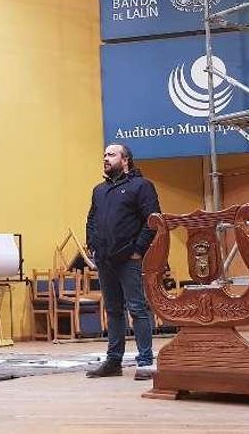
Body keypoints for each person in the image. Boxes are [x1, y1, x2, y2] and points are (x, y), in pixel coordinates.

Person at [85, 143, 161, 380]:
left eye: (111, 155)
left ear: (125, 159)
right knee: (113, 310)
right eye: (104, 155)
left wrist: (138, 250)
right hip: (105, 259)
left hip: (130, 259)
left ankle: (146, 362)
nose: (105, 158)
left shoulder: (142, 186)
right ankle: (113, 361)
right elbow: (91, 220)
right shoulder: (99, 190)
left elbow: (153, 220)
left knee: (137, 309)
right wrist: (93, 246)